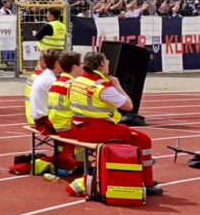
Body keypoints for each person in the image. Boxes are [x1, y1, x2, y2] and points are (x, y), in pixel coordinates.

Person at [62, 51, 162, 195]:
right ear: (102, 65)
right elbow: (128, 106)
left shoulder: (76, 81)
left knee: (123, 133)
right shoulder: (103, 88)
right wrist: (117, 85)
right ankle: (147, 182)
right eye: (107, 62)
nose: (109, 65)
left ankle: (130, 172)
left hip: (77, 128)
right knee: (144, 140)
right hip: (97, 128)